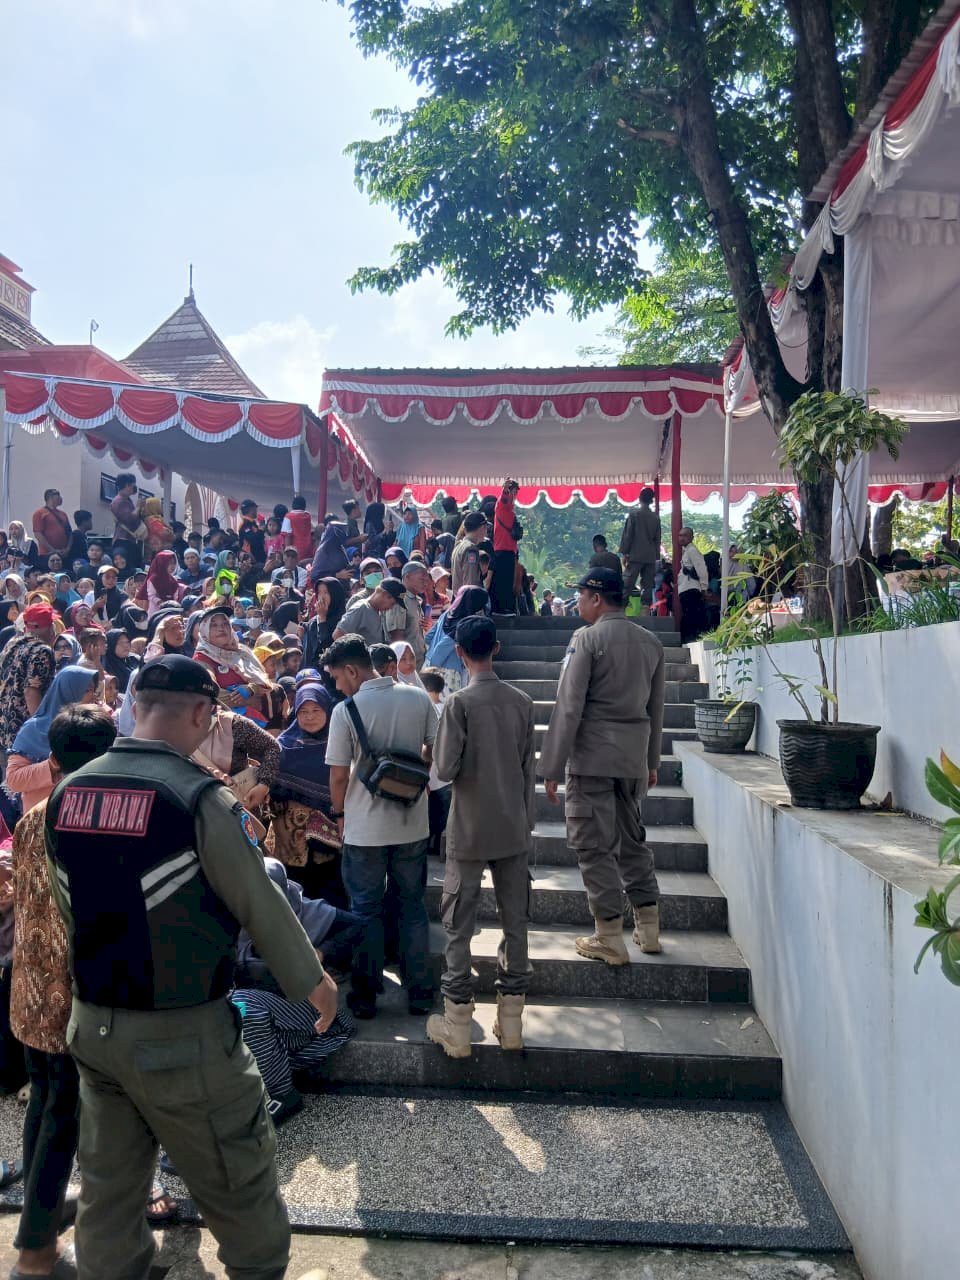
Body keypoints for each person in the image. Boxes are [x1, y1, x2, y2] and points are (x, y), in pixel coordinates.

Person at [44, 655, 339, 1280]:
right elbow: (259, 901)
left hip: (94, 1026)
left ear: (132, 702)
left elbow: (68, 904)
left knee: (109, 1188)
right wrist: (313, 983)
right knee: (242, 1182)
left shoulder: (69, 791)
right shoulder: (199, 798)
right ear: (204, 713)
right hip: (183, 1034)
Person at [10, 705, 118, 1280]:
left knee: (45, 1107)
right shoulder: (99, 817)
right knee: (64, 1118)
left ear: (51, 762)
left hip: (28, 992)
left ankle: (41, 1214)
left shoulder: (36, 816)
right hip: (72, 996)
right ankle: (34, 1253)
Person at [538, 568, 666, 963]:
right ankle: (649, 927)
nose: (577, 602)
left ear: (596, 598)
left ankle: (609, 935)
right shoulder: (651, 642)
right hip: (633, 759)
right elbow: (655, 709)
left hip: (592, 758)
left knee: (594, 846)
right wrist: (651, 760)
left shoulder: (587, 639)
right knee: (632, 842)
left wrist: (552, 765)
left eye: (579, 595)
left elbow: (569, 705)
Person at [425, 616, 535, 1057]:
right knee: (516, 923)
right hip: (512, 825)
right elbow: (528, 768)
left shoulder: (458, 704)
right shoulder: (522, 701)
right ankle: (511, 1024)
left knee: (458, 927)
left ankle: (457, 1025)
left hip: (469, 828)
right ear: (498, 648)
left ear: (461, 653)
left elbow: (446, 769)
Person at [323, 634, 437, 1019]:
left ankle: (366, 995)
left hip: (365, 829)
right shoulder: (418, 697)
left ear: (352, 670)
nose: (338, 686)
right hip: (412, 825)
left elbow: (339, 777)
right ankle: (420, 992)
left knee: (365, 910)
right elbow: (433, 752)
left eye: (338, 677)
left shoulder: (347, 710)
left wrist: (339, 815)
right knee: (412, 907)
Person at [267, 685, 346, 903]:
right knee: (293, 892)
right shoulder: (282, 746)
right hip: (288, 839)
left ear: (328, 712)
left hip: (329, 835)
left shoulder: (339, 745)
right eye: (303, 711)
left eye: (316, 710)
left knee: (329, 889)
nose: (310, 717)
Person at [6, 665, 101, 816]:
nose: (93, 697)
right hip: (42, 820)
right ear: (68, 692)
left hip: (79, 816)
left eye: (93, 690)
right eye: (87, 690)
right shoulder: (34, 729)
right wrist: (53, 765)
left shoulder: (94, 728)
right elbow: (14, 779)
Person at [0, 602, 57, 752]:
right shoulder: (42, 650)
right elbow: (31, 691)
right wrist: (39, 730)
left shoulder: (12, 643)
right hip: (24, 732)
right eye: (51, 623)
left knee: (10, 773)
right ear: (45, 626)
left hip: (4, 727)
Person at [424, 585, 491, 695]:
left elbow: (428, 637)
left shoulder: (447, 614)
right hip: (448, 674)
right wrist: (433, 670)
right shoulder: (464, 625)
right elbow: (442, 648)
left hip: (428, 665)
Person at [619, 488, 661, 606]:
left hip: (635, 555)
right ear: (651, 500)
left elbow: (628, 535)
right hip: (650, 556)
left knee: (627, 585)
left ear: (640, 498)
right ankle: (645, 612)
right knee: (647, 587)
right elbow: (657, 539)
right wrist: (656, 556)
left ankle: (621, 611)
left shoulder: (634, 514)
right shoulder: (655, 518)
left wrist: (625, 552)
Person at [333, 577, 404, 648]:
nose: (391, 607)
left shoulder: (378, 611)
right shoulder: (361, 609)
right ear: (384, 594)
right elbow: (337, 635)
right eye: (392, 604)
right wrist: (355, 656)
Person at [384, 561, 429, 668]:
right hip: (406, 663)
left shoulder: (417, 600)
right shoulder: (399, 600)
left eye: (426, 580)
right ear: (407, 577)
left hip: (418, 659)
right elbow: (396, 636)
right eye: (421, 579)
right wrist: (404, 663)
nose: (425, 583)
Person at [302, 576, 347, 671]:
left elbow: (327, 648)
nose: (321, 597)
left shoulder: (344, 619)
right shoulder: (314, 621)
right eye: (319, 593)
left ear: (335, 594)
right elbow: (309, 653)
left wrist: (323, 619)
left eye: (326, 593)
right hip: (314, 674)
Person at [491, 478, 521, 614]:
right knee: (503, 580)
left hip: (508, 549)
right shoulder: (502, 505)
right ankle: (501, 608)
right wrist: (506, 490)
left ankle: (504, 607)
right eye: (514, 492)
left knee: (507, 580)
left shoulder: (510, 509)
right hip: (503, 549)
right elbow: (503, 497)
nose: (515, 496)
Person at [676, 526, 709, 644]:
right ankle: (688, 640)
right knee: (689, 616)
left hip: (692, 589)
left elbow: (701, 569)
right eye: (680, 535)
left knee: (692, 617)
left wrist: (704, 587)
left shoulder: (692, 551)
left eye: (685, 535)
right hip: (685, 589)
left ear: (691, 537)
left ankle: (691, 640)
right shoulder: (687, 551)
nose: (682, 538)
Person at [109, 473, 147, 566]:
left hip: (129, 540)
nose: (134, 488)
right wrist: (138, 507)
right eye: (133, 485)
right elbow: (130, 519)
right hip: (123, 541)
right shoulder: (119, 501)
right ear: (127, 485)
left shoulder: (125, 500)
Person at [31, 489, 72, 570]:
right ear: (51, 497)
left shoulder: (63, 514)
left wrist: (68, 549)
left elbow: (70, 533)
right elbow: (38, 534)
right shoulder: (39, 513)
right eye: (58, 495)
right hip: (47, 554)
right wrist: (53, 550)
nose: (61, 498)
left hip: (64, 554)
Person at [282, 495, 314, 562]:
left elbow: (287, 536)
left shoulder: (288, 517)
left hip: (295, 552)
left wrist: (286, 554)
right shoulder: (308, 515)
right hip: (308, 549)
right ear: (304, 506)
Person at [238, 499, 266, 564]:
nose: (256, 511)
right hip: (251, 559)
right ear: (249, 510)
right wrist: (261, 531)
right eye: (255, 508)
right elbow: (253, 540)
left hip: (257, 558)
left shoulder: (252, 523)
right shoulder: (245, 524)